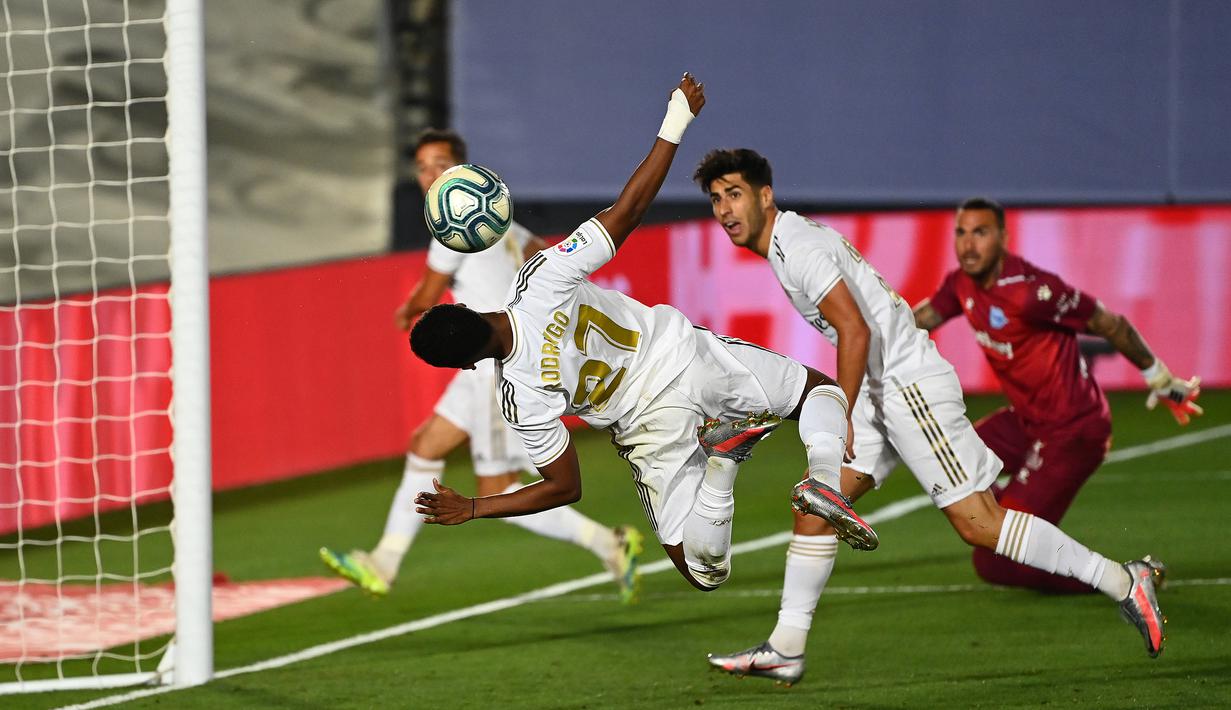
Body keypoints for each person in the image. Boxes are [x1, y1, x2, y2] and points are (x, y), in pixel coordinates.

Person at [694, 149, 1167, 685]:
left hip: (904, 388)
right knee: (814, 508)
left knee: (980, 523)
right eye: (716, 198)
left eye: (734, 194)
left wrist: (840, 411)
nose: (725, 209)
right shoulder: (790, 243)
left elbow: (856, 330)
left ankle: (1124, 581)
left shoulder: (797, 248)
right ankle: (786, 647)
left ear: (765, 195)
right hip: (881, 390)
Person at [412, 74, 878, 597]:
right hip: (684, 354)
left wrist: (475, 507)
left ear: (468, 365)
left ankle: (724, 463)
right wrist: (676, 118)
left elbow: (565, 487)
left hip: (647, 427)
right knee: (819, 391)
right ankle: (822, 475)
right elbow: (628, 210)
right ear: (472, 307)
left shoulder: (518, 396)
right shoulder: (539, 277)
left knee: (704, 573)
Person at [319, 129, 643, 603]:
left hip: (495, 365)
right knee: (426, 443)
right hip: (486, 356)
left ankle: (608, 543)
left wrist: (408, 312)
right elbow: (541, 257)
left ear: (460, 169)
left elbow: (428, 296)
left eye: (441, 164)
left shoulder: (453, 223)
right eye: (424, 167)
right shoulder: (499, 221)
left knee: (498, 488)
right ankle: (384, 562)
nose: (432, 174)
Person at [914, 197, 1201, 592]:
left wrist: (1160, 378)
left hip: (1074, 431)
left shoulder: (1034, 292)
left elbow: (1111, 324)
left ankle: (1125, 579)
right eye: (961, 233)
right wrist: (867, 329)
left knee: (995, 561)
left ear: (1003, 236)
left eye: (980, 233)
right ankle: (1020, 513)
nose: (968, 244)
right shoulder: (960, 283)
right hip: (1026, 420)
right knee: (945, 453)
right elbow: (919, 320)